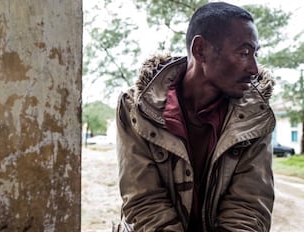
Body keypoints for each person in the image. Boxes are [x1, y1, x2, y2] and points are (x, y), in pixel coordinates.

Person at [115, 2, 276, 231]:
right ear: (200, 50)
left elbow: (248, 208)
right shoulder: (136, 108)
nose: (254, 68)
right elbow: (144, 203)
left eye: (255, 54)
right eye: (244, 53)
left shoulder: (255, 117)